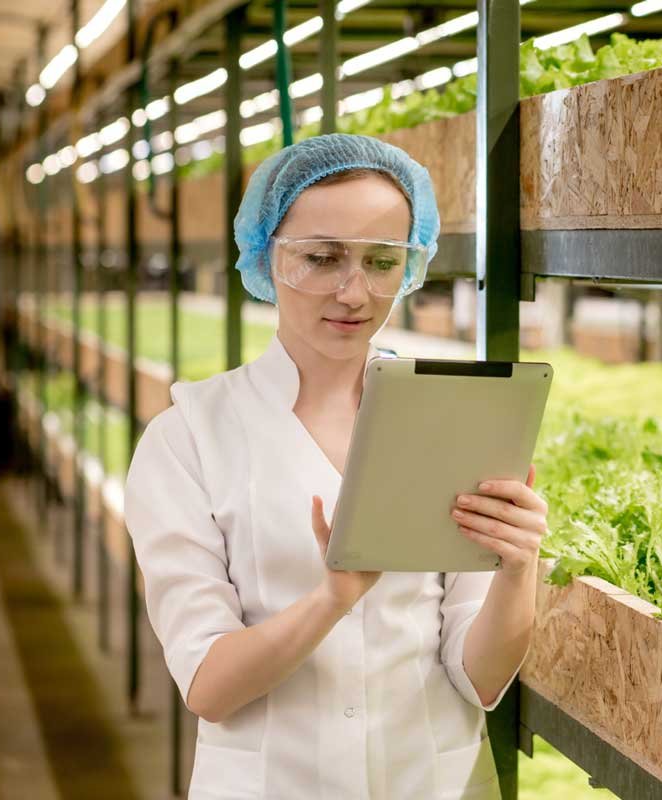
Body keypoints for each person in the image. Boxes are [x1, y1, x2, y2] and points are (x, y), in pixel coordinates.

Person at [123, 133, 549, 799]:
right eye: (321, 258)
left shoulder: (447, 417)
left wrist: (517, 569)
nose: (353, 292)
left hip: (432, 780)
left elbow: (479, 676)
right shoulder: (188, 440)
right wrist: (331, 600)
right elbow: (209, 683)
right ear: (268, 256)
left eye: (382, 261)